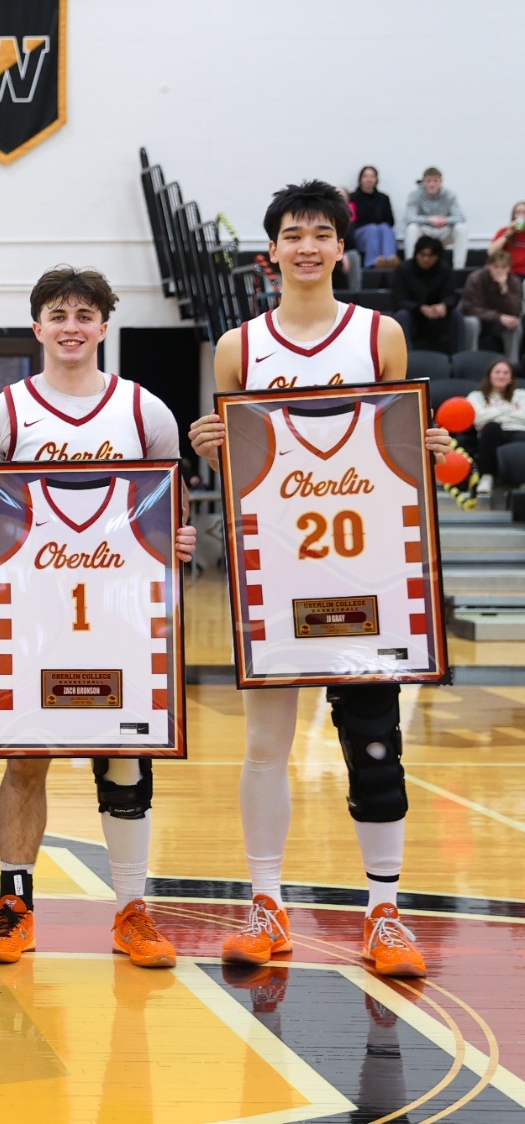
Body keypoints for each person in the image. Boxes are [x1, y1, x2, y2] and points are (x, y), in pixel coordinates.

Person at [189, 180, 454, 980]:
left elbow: (395, 452)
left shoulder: (381, 335)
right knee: (266, 745)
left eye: (320, 233)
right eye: (292, 234)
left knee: (375, 743)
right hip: (277, 571)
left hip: (365, 573)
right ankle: (265, 905)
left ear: (344, 246)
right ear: (271, 251)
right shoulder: (239, 348)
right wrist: (214, 449)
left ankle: (385, 914)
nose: (306, 246)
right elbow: (245, 464)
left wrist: (427, 455)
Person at [0, 267, 195, 970]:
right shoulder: (3, 413)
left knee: (124, 754)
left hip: (121, 613)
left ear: (103, 326)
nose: (71, 325)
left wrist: (181, 539)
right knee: (27, 756)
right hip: (34, 615)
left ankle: (132, 909)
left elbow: (168, 514)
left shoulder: (144, 411)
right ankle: (14, 906)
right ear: (37, 327)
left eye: (84, 314)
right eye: (58, 314)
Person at [391, 236, 461, 354]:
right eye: (422, 255)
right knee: (401, 316)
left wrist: (444, 305)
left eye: (430, 256)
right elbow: (398, 299)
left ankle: (458, 357)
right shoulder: (403, 269)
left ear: (437, 257)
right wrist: (420, 308)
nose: (425, 259)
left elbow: (451, 295)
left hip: (438, 316)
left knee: (456, 315)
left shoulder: (444, 269)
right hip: (413, 316)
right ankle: (406, 357)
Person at [467, 359, 525, 491]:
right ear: (489, 376)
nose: (501, 376)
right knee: (492, 427)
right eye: (497, 372)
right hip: (492, 433)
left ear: (511, 377)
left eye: (506, 373)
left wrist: (492, 413)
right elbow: (478, 419)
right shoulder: (476, 396)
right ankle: (487, 477)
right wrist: (510, 410)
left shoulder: (521, 395)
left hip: (518, 431)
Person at [460, 247, 523, 361]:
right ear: (488, 266)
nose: (499, 271)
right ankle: (469, 361)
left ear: (509, 269)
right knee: (471, 323)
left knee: (515, 324)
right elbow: (470, 308)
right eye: (496, 267)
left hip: (497, 324)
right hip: (479, 320)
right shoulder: (475, 279)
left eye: (503, 267)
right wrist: (498, 317)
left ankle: (512, 365)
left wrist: (504, 290)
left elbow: (515, 311)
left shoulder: (513, 282)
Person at [402, 168, 466, 266]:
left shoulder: (450, 195)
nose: (432, 184)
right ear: (423, 182)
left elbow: (461, 217)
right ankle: (410, 266)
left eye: (435, 181)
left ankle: (458, 267)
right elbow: (408, 218)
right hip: (424, 231)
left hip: (443, 231)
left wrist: (445, 220)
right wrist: (429, 219)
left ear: (441, 182)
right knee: (411, 228)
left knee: (461, 228)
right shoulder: (414, 195)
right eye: (428, 181)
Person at [349, 166, 397, 268]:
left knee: (385, 227)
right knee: (372, 229)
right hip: (361, 234)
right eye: (366, 176)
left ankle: (389, 259)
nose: (369, 179)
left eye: (372, 176)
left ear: (376, 179)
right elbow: (352, 223)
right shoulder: (352, 198)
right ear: (360, 179)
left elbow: (390, 221)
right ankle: (372, 262)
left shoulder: (383, 198)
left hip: (380, 231)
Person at [489, 200, 525, 279]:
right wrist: (507, 234)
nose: (521, 216)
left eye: (524, 213)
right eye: (518, 213)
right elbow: (491, 252)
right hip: (509, 272)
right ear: (513, 215)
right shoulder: (504, 231)